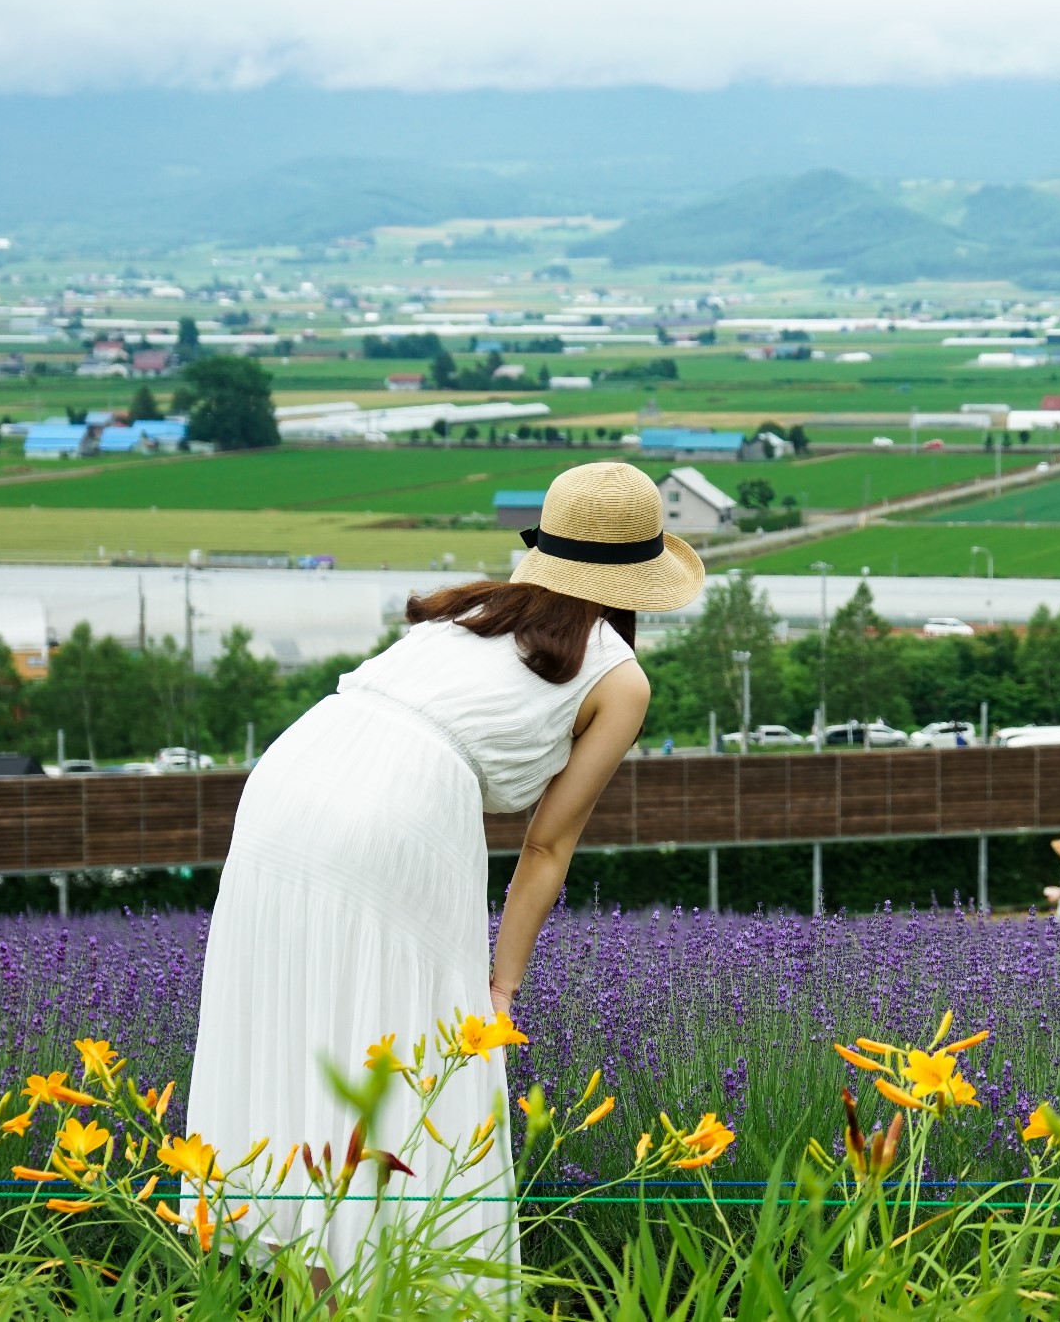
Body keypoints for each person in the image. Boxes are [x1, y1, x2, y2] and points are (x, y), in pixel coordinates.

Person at [185, 461, 703, 1278]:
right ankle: (388, 1289)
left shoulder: (468, 609)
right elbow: (546, 846)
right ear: (640, 579)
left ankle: (309, 1276)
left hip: (293, 770)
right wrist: (499, 991)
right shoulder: (620, 677)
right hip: (401, 802)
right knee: (422, 1068)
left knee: (304, 1033)